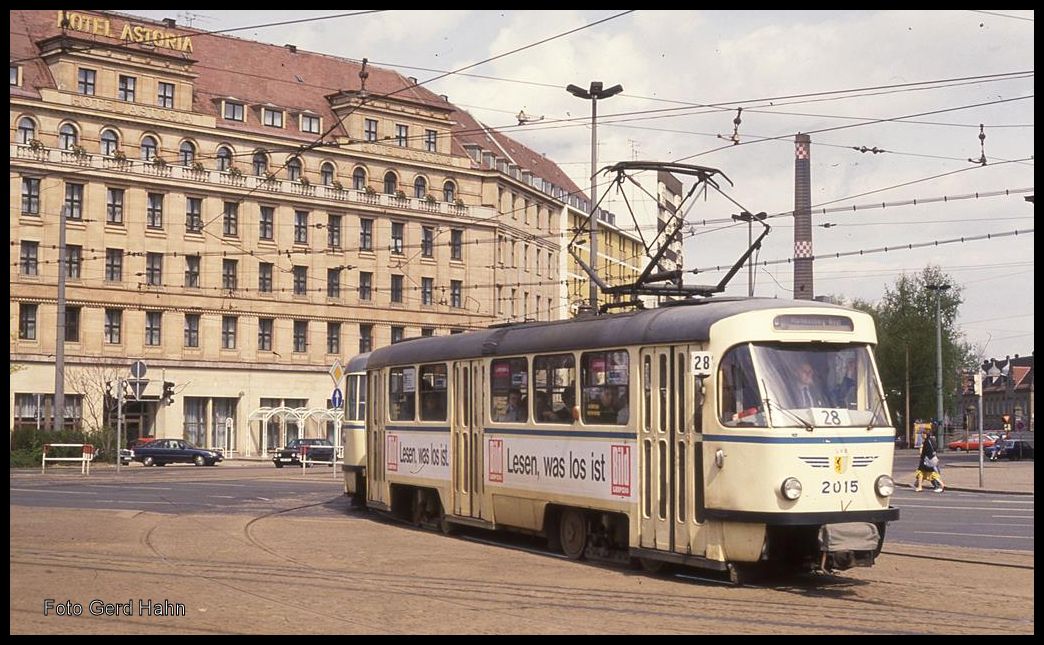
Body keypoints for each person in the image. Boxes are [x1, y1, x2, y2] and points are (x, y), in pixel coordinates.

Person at [914, 427, 945, 492]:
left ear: (924, 434)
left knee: (922, 473)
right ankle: (941, 484)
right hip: (932, 459)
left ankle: (920, 487)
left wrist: (922, 456)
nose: (921, 435)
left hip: (926, 460)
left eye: (922, 434)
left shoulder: (926, 442)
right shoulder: (932, 440)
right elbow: (934, 448)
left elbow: (924, 452)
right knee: (930, 473)